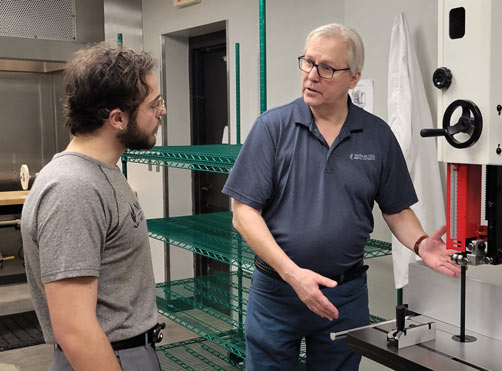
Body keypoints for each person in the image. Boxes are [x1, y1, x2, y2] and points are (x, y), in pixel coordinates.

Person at [222, 23, 461, 370]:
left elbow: (396, 210)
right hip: (278, 292)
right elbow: (243, 212)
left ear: (354, 78)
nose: (312, 76)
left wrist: (422, 243)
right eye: (308, 62)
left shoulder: (377, 136)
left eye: (327, 68)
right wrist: (293, 274)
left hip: (344, 296)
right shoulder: (271, 128)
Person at [21, 43, 166, 371]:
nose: (162, 111)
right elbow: (75, 330)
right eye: (154, 103)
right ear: (117, 118)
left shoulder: (103, 173)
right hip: (106, 357)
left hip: (127, 352)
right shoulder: (73, 189)